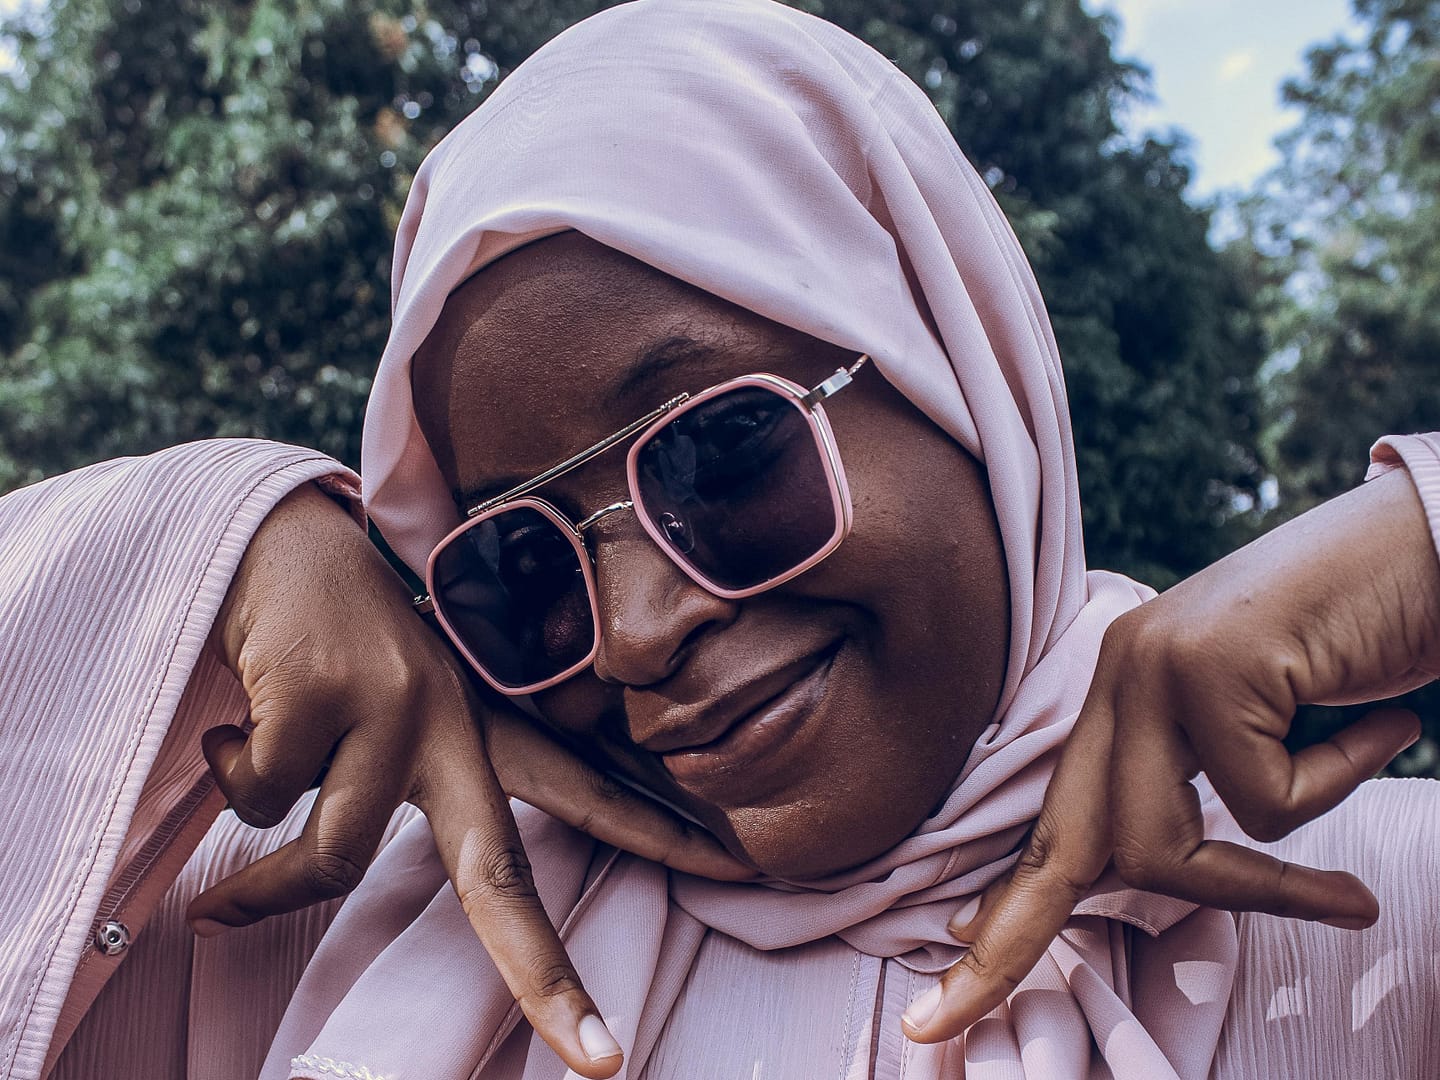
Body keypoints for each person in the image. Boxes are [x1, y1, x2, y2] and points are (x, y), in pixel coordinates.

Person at [2, 1, 1437, 1077]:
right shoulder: (310, 932)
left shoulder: (1380, 914)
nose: (634, 632)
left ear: (964, 374)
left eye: (722, 448)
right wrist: (213, 545)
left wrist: (1422, 537)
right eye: (516, 565)